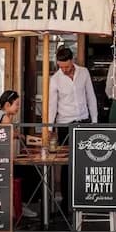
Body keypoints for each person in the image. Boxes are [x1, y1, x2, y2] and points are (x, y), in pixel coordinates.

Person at [48, 46, 98, 211]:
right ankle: (67, 201)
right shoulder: (55, 79)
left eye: (67, 66)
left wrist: (94, 121)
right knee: (67, 163)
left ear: (73, 61)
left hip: (83, 121)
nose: (64, 70)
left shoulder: (83, 73)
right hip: (65, 124)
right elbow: (52, 105)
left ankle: (84, 199)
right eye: (61, 67)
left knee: (86, 161)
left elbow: (90, 96)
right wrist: (49, 128)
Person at [0, 90, 38, 218]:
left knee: (27, 169)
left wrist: (21, 136)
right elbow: (9, 134)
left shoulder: (1, 115)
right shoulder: (4, 117)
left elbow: (10, 134)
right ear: (7, 105)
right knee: (30, 171)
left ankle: (19, 204)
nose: (18, 107)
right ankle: (20, 205)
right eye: (17, 104)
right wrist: (21, 136)